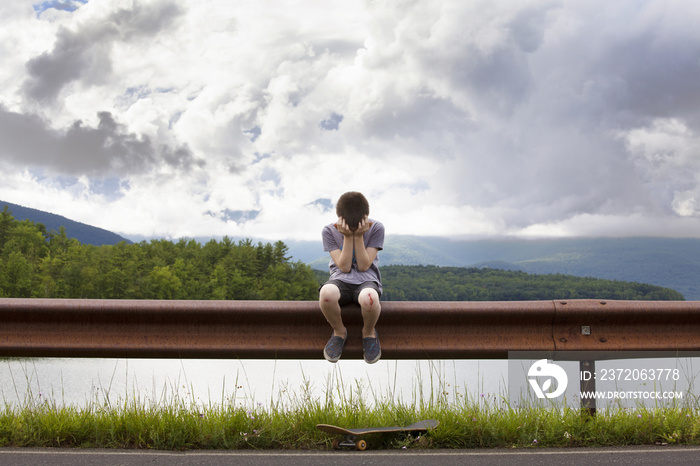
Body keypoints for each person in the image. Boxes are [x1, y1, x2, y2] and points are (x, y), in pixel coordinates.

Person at [319, 191, 385, 364]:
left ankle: (369, 333)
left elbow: (364, 266)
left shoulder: (377, 228)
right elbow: (344, 266)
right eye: (350, 225)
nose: (353, 228)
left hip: (367, 279)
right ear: (341, 219)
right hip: (340, 278)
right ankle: (339, 332)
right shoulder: (329, 231)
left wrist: (359, 235)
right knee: (326, 293)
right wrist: (349, 236)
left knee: (369, 298)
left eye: (357, 226)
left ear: (366, 218)